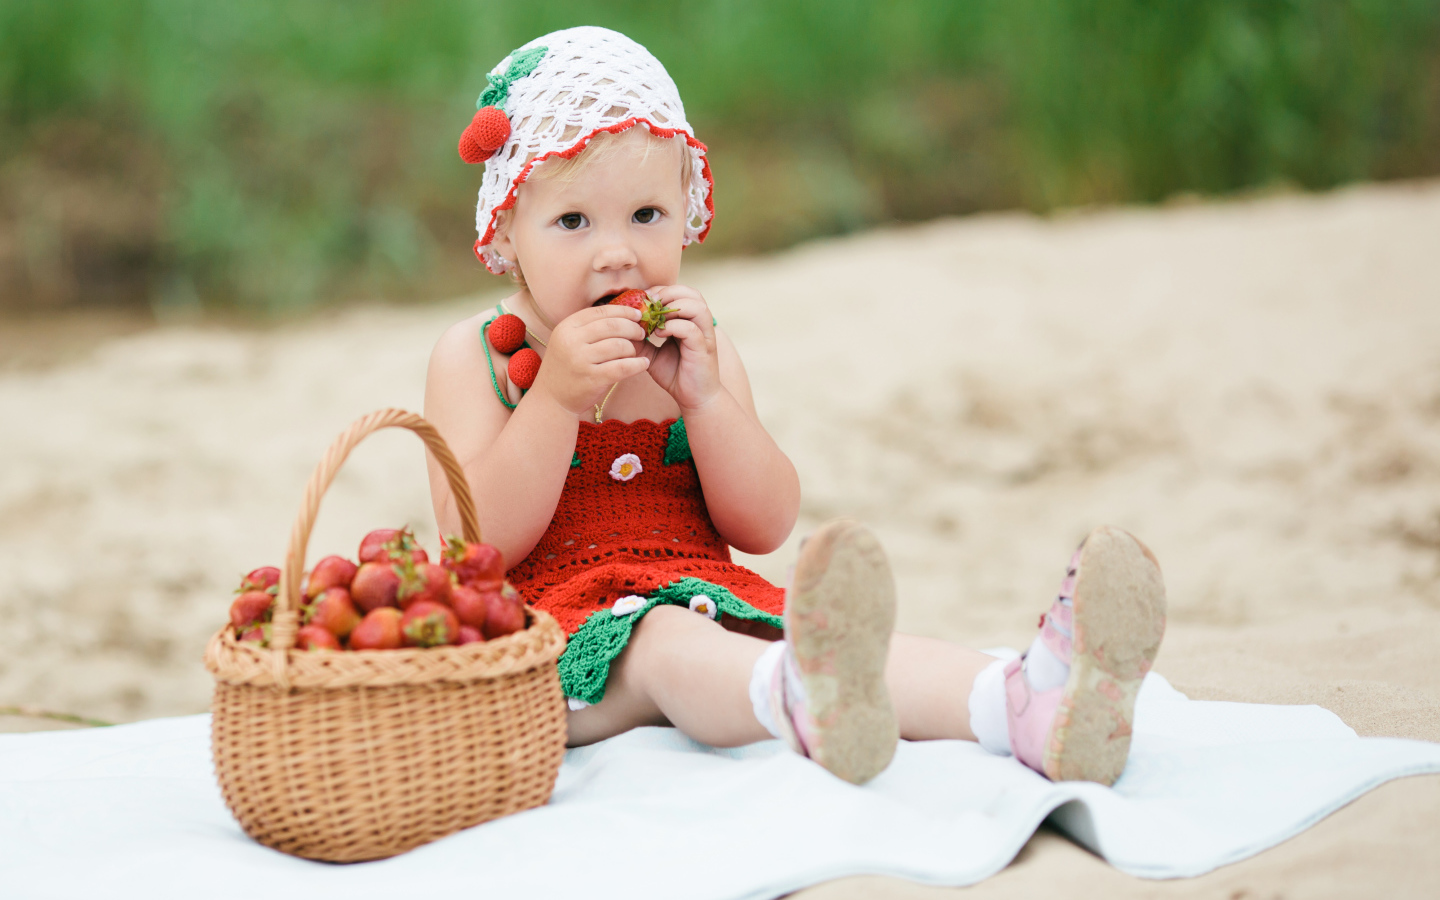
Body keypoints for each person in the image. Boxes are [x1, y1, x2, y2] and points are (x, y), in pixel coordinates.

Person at [424, 27, 1166, 786]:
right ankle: (797, 699)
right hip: (555, 644)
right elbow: (475, 547)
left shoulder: (695, 346)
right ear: (508, 231)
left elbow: (763, 521)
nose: (617, 252)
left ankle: (1018, 702)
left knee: (834, 641)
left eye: (646, 216)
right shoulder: (478, 356)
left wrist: (707, 400)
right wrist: (554, 401)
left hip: (707, 598)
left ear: (686, 212)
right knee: (659, 640)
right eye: (574, 222)